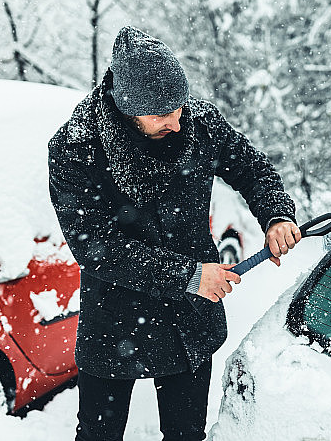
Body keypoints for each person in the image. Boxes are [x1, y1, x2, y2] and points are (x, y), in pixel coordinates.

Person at [47, 25, 300, 441]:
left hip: (190, 321)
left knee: (186, 434)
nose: (177, 122)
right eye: (162, 114)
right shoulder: (77, 148)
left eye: (179, 107)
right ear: (127, 107)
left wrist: (275, 215)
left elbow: (252, 168)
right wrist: (190, 276)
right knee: (98, 434)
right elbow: (94, 247)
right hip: (116, 318)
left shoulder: (198, 122)